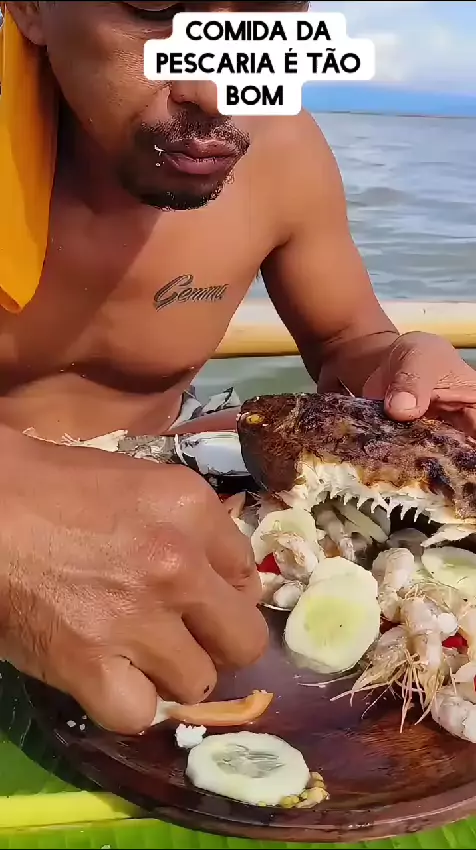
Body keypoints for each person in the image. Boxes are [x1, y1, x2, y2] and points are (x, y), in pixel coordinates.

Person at [1, 1, 476, 736]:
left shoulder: (282, 154)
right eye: (153, 9)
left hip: (176, 490)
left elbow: (347, 338)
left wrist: (404, 375)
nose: (222, 90)